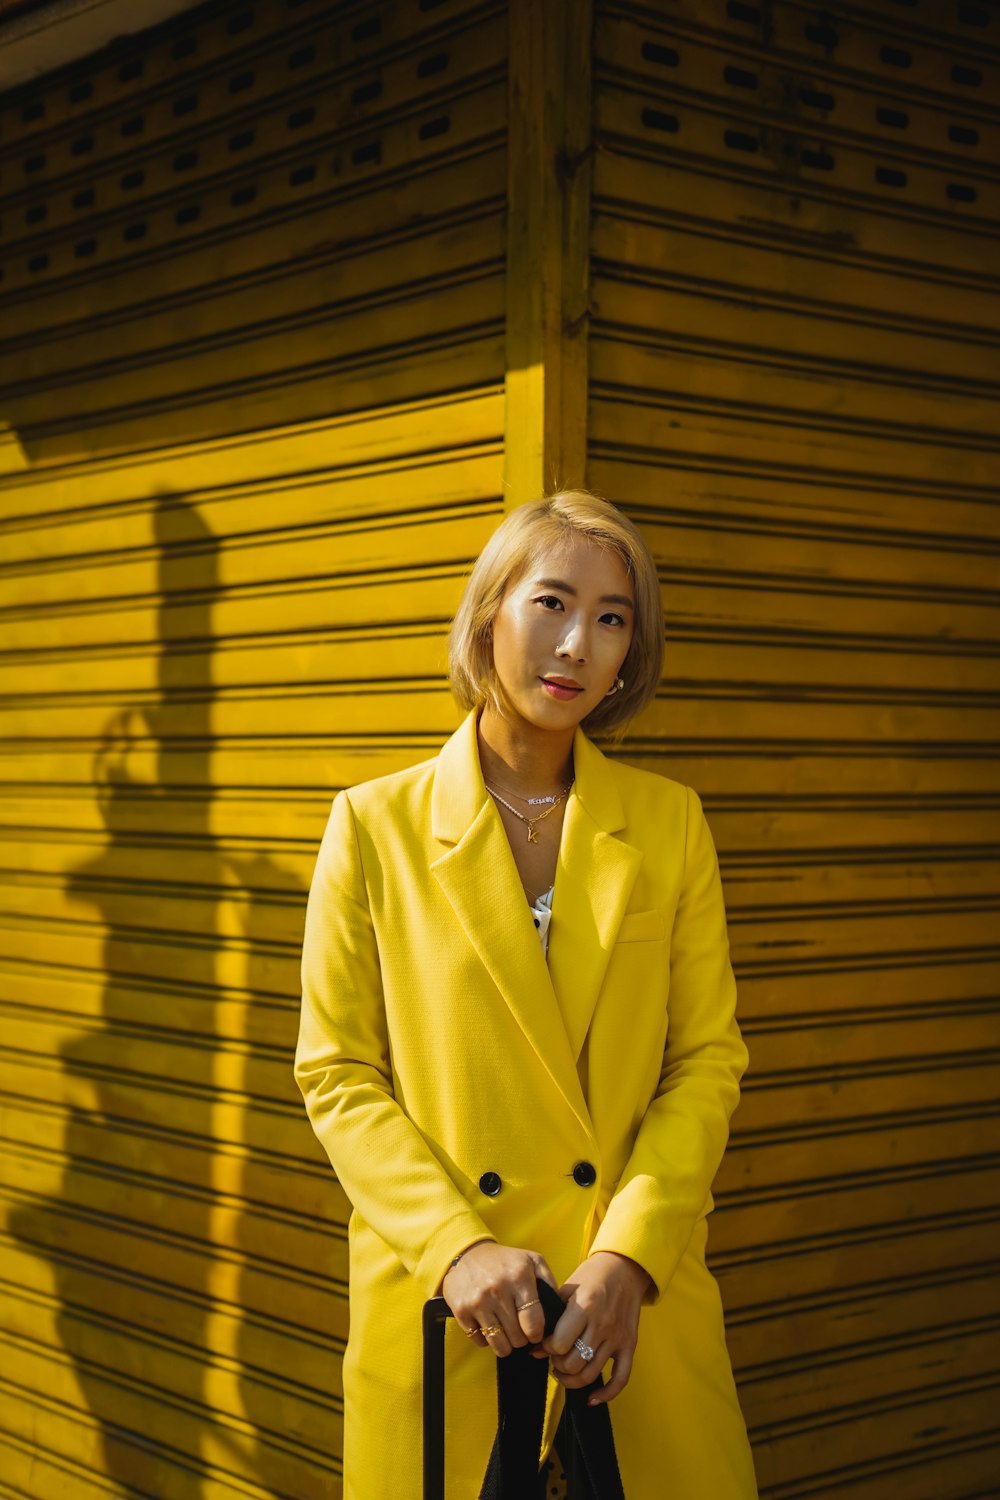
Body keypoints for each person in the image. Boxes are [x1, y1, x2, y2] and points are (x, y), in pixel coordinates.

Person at [294, 490, 758, 1499]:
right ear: (489, 611)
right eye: (550, 603)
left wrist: (630, 1258)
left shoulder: (668, 823)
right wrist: (454, 1245)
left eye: (611, 618)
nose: (577, 645)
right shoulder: (373, 826)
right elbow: (336, 1074)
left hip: (627, 1315)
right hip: (451, 1313)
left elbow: (707, 1060)